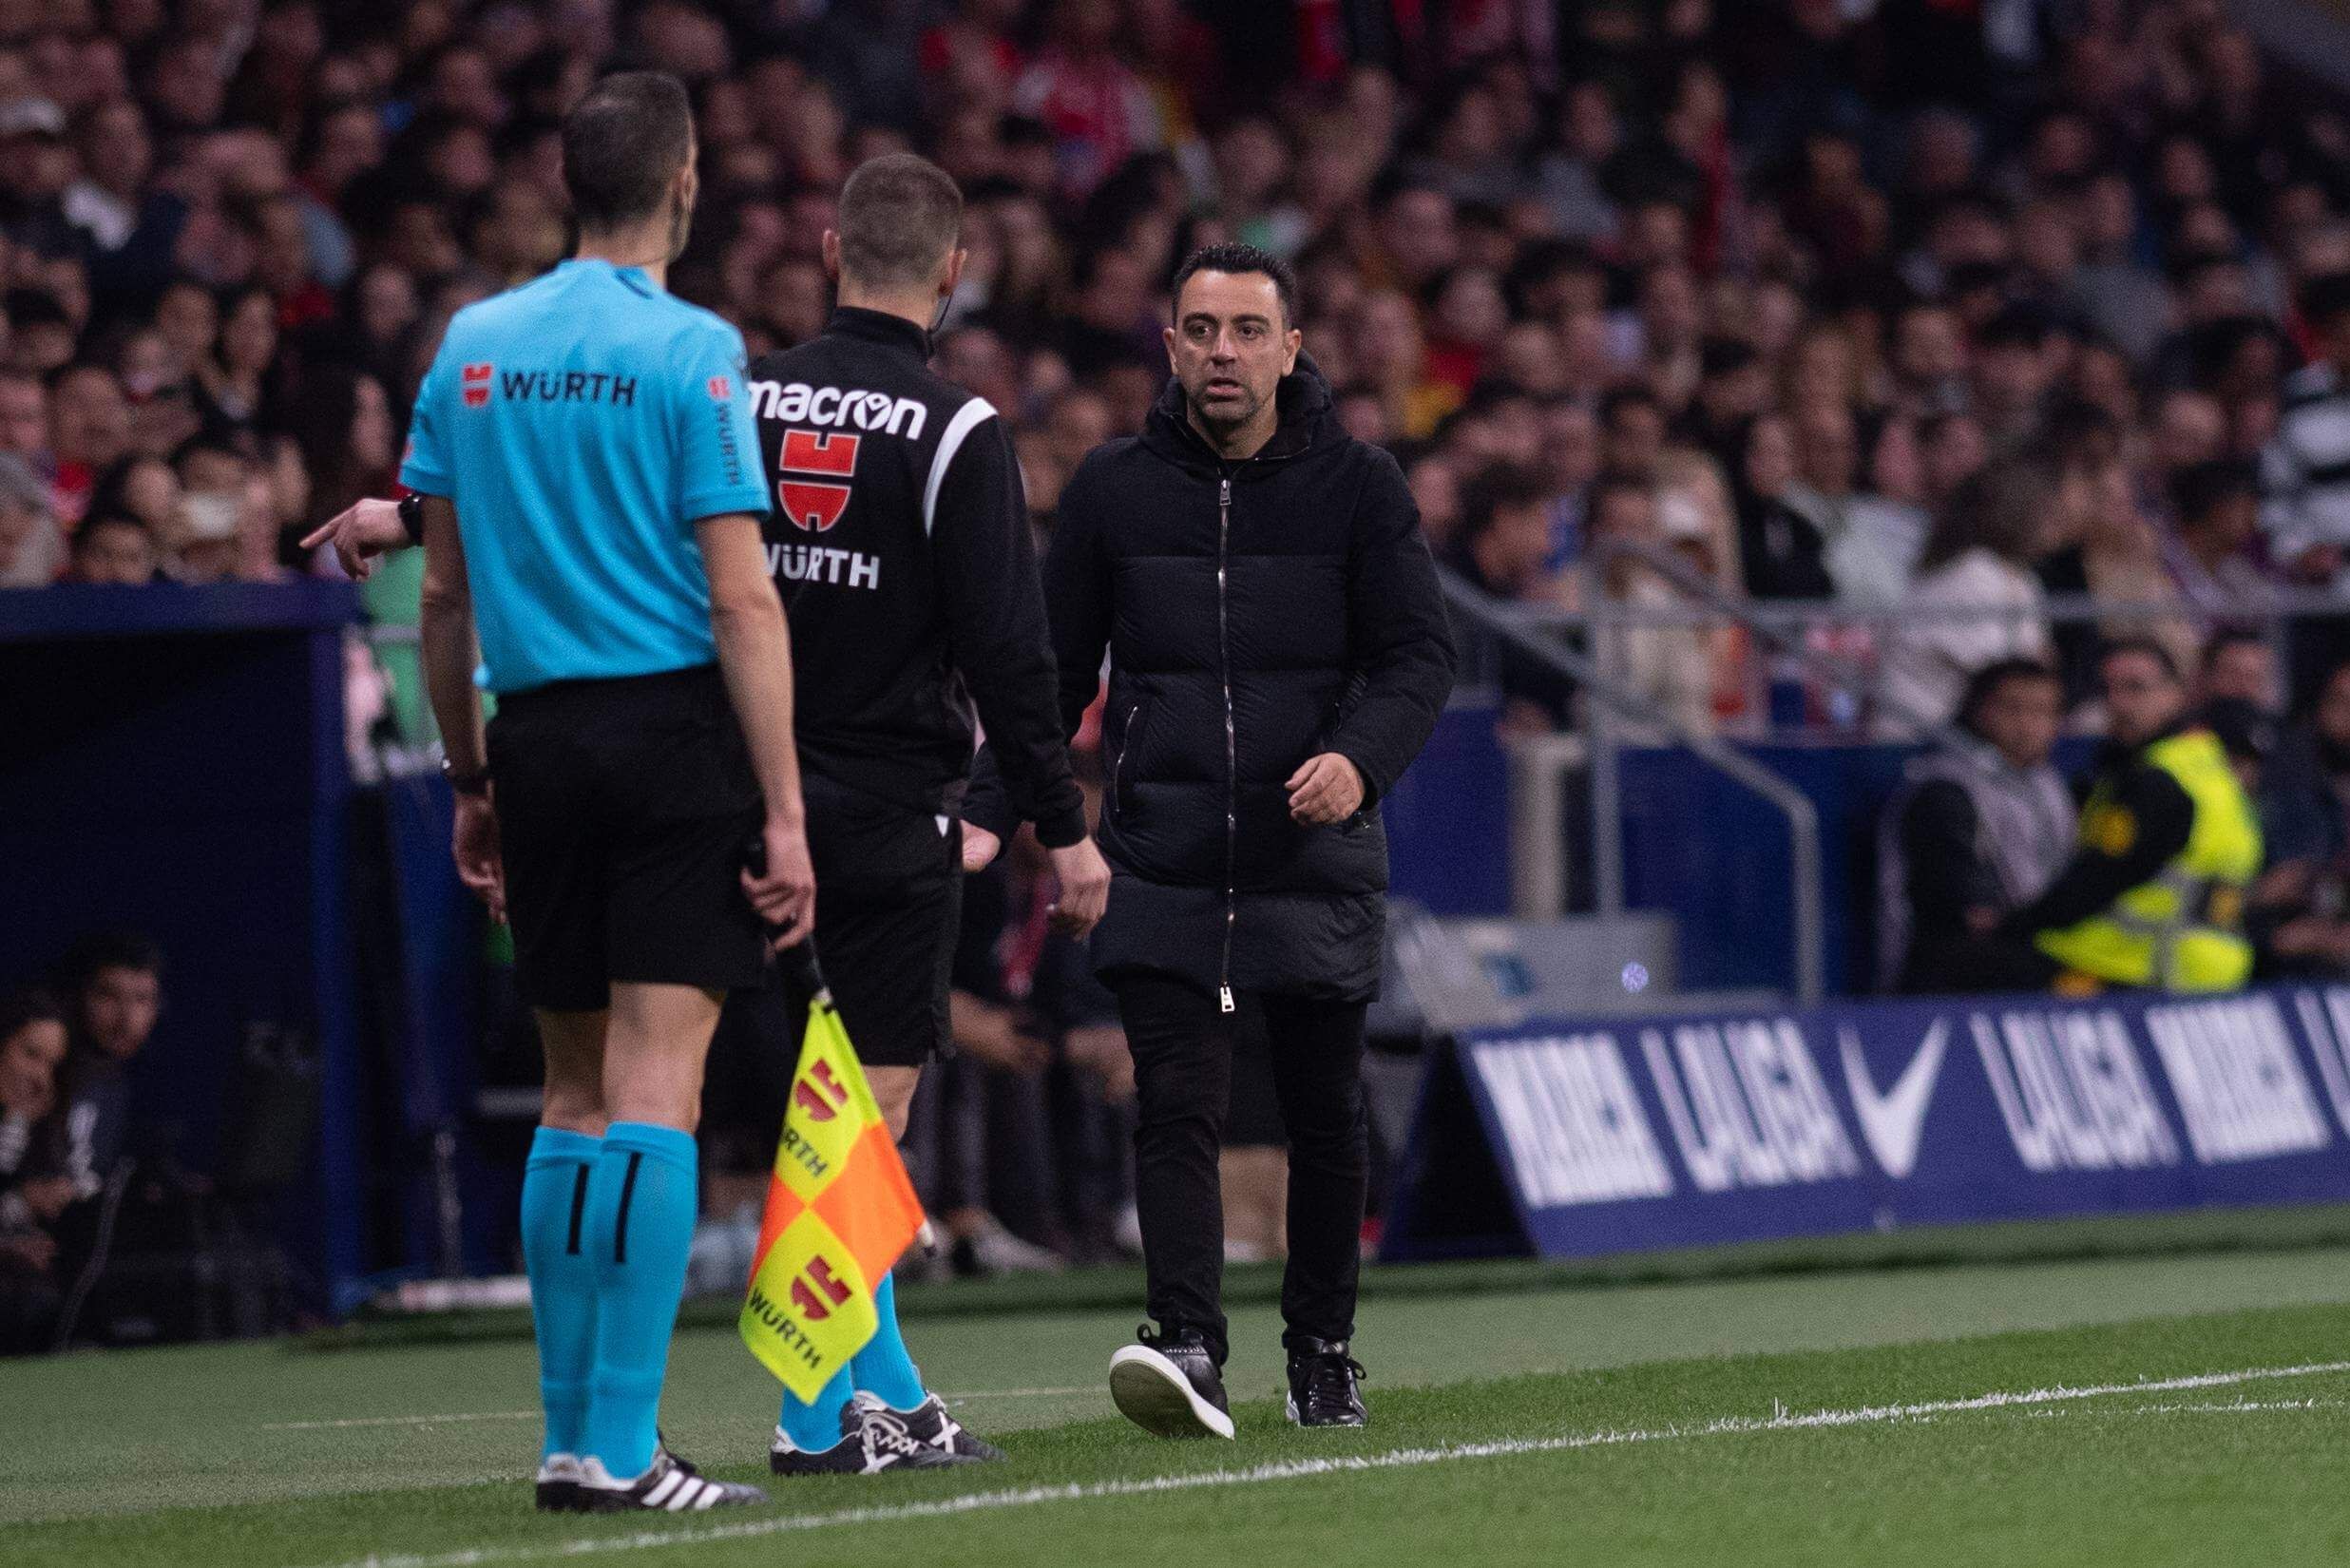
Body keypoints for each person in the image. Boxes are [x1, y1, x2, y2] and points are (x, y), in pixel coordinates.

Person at [969, 242, 1453, 1437]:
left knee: (1321, 1117)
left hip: (1313, 855)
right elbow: (1050, 668)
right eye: (1198, 329)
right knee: (1172, 1104)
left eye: (1245, 330)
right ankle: (1186, 1342)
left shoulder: (1362, 487)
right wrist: (995, 807)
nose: (1221, 351)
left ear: (1292, 348)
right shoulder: (1112, 487)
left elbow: (1416, 658)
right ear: (1170, 346)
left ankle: (1322, 1353)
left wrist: (1358, 757)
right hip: (1167, 848)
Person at [402, 72, 802, 1515]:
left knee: (572, 1092)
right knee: (655, 1091)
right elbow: (743, 603)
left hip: (536, 738)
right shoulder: (692, 349)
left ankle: (571, 1438)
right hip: (670, 737)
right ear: (684, 179)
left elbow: (439, 590)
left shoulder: (475, 342)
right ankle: (623, 1448)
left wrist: (468, 773)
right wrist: (787, 807)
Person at [738, 152, 1110, 1478]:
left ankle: (884, 1387)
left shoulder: (740, 394)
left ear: (832, 248)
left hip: (746, 800)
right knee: (862, 1121)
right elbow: (1015, 661)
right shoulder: (957, 429)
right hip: (887, 812)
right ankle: (812, 1413)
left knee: (820, 1106)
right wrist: (1058, 825)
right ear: (956, 269)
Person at [1998, 640, 2263, 994]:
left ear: (2177, 694)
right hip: (2213, 970)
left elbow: (2096, 882)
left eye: (2136, 688)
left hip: (2138, 970)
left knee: (1978, 963)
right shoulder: (2205, 763)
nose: (2118, 703)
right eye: (2108, 690)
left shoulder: (2156, 781)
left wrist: (2012, 926)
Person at [1877, 660, 2075, 993]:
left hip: (2030, 944)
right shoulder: (1943, 790)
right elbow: (1973, 914)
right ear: (1979, 712)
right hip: (1950, 972)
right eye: (2012, 709)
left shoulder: (2051, 785)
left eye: (2042, 711)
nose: (2027, 725)